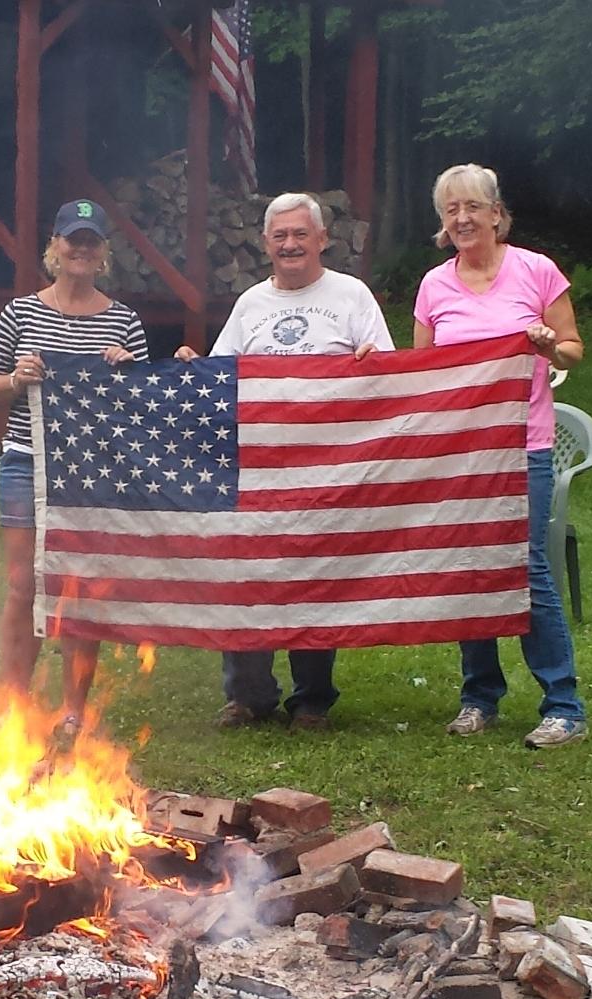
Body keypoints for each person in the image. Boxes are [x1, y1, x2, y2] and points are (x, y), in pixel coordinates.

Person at [176, 191, 395, 731]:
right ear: (265, 243)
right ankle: (249, 695)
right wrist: (192, 368)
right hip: (256, 468)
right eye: (280, 236)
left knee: (313, 576)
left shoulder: (351, 295)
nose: (291, 244)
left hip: (327, 470)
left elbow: (390, 374)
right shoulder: (250, 303)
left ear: (322, 239)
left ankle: (312, 699)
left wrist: (370, 364)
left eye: (301, 234)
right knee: (248, 575)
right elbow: (220, 377)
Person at [413, 164, 589, 749]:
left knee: (527, 569)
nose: (461, 219)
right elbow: (424, 374)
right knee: (471, 572)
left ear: (495, 212)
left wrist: (548, 345)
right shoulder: (434, 285)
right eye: (450, 211)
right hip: (463, 453)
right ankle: (479, 697)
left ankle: (563, 704)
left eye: (471, 207)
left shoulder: (536, 270)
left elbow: (573, 350)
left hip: (525, 447)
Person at [0, 199, 148, 751]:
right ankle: (14, 704)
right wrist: (16, 378)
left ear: (104, 253)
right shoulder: (20, 313)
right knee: (23, 586)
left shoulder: (123, 320)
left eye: (91, 240)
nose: (81, 248)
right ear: (53, 246)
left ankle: (74, 711)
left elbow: (144, 408)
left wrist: (127, 372)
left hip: (92, 471)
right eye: (71, 239)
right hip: (26, 460)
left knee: (79, 589)